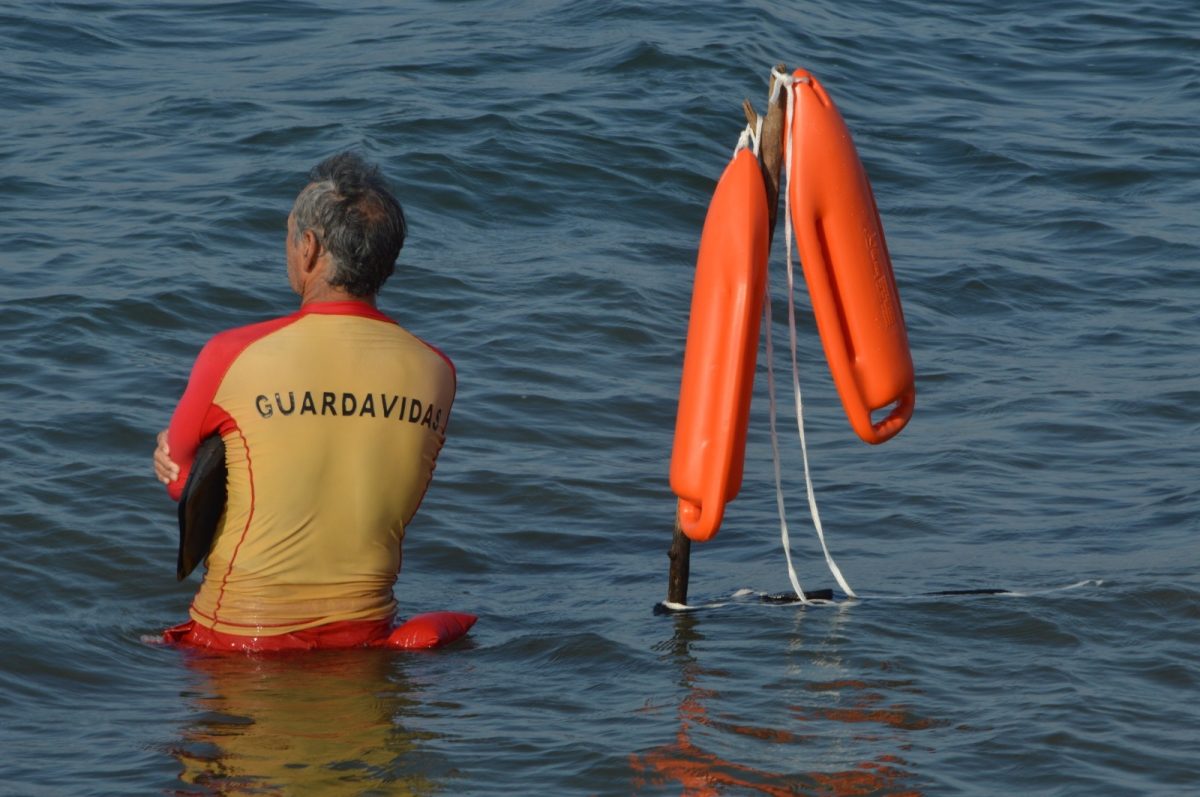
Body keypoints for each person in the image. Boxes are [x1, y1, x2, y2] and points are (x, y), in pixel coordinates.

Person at [153, 152, 458, 651]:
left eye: (289, 234)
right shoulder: (437, 371)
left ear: (310, 248)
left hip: (240, 640)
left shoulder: (232, 354)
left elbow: (186, 489)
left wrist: (164, 455)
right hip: (363, 642)